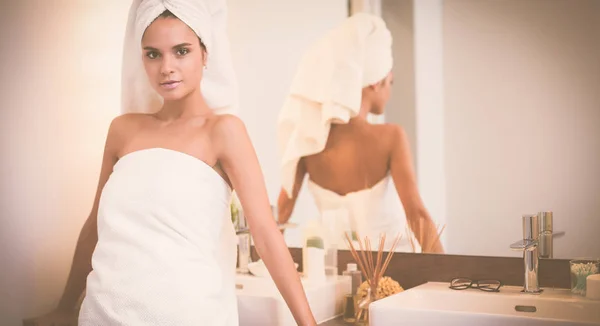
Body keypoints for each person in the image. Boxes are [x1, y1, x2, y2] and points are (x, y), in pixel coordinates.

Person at [22, 0, 316, 325]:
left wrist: (307, 322)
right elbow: (95, 226)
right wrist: (64, 307)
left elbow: (265, 233)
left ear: (205, 54)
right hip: (104, 314)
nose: (166, 67)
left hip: (188, 314)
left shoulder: (223, 131)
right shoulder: (123, 130)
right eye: (153, 54)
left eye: (181, 51)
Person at [276, 13, 444, 253]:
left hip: (338, 275)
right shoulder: (391, 137)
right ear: (376, 82)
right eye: (390, 82)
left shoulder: (307, 140)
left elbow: (280, 214)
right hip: (397, 273)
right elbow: (416, 214)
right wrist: (448, 278)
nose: (390, 90)